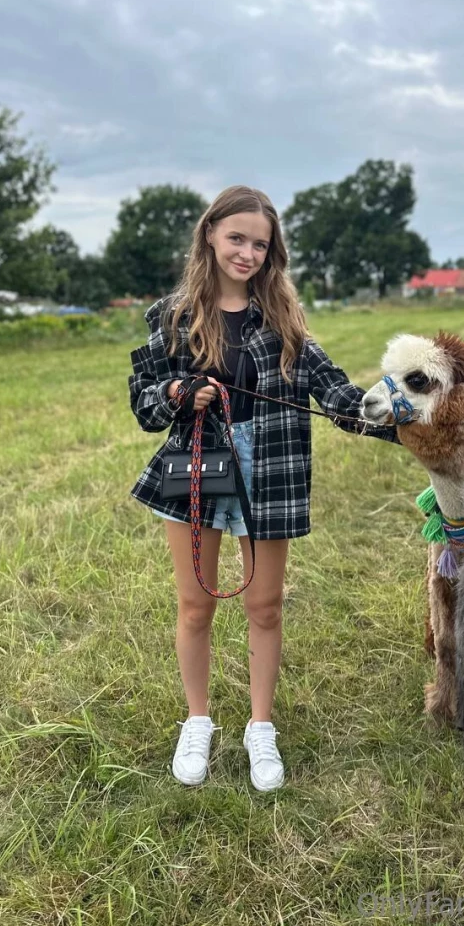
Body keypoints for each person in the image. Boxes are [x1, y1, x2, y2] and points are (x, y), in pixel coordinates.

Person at [128, 184, 400, 791]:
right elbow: (143, 403)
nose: (247, 253)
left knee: (265, 606)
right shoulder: (172, 318)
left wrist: (404, 421)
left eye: (260, 244)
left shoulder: (283, 321)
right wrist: (177, 394)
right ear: (209, 235)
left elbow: (338, 396)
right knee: (195, 605)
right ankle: (197, 720)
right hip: (195, 471)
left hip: (270, 472)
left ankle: (260, 727)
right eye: (236, 239)